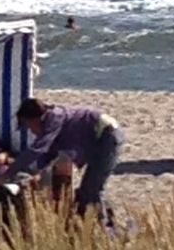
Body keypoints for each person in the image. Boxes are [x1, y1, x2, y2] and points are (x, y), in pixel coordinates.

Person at [13, 97, 125, 228]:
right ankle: (107, 223)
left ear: (37, 119)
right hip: (102, 137)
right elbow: (47, 156)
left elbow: (38, 149)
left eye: (30, 126)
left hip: (107, 136)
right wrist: (34, 172)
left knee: (91, 191)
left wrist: (12, 169)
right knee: (89, 190)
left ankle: (105, 230)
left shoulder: (54, 118)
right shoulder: (51, 127)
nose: (31, 131)